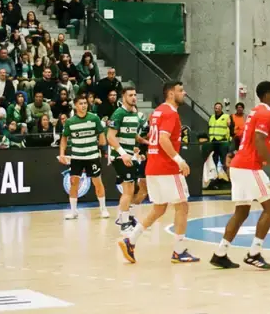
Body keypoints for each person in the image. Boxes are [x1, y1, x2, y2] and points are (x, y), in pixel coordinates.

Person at [211, 81, 270, 271]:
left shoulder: (255, 111)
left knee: (242, 212)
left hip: (239, 166)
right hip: (249, 167)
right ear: (268, 94)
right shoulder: (266, 113)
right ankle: (254, 253)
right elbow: (259, 141)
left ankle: (220, 253)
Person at [118, 81, 197, 264]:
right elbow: (163, 139)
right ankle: (179, 251)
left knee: (159, 208)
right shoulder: (170, 113)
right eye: (180, 90)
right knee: (182, 206)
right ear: (170, 94)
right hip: (167, 168)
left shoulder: (157, 112)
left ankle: (130, 240)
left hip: (153, 167)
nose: (184, 93)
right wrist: (179, 160)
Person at [58, 95, 109, 220]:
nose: (84, 105)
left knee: (97, 182)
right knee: (74, 183)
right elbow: (64, 139)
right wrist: (62, 153)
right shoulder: (70, 122)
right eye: (81, 103)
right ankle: (74, 211)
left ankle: (103, 209)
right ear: (76, 105)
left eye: (85, 103)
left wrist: (102, 145)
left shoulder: (94, 118)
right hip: (77, 157)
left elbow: (102, 136)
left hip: (92, 156)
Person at [106, 86, 148, 233]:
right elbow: (110, 137)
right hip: (120, 156)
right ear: (123, 97)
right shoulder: (118, 113)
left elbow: (133, 135)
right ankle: (124, 223)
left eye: (135, 95)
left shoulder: (135, 114)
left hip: (131, 155)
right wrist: (123, 154)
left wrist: (144, 142)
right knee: (129, 190)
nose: (134, 98)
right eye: (130, 95)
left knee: (133, 188)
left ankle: (127, 218)